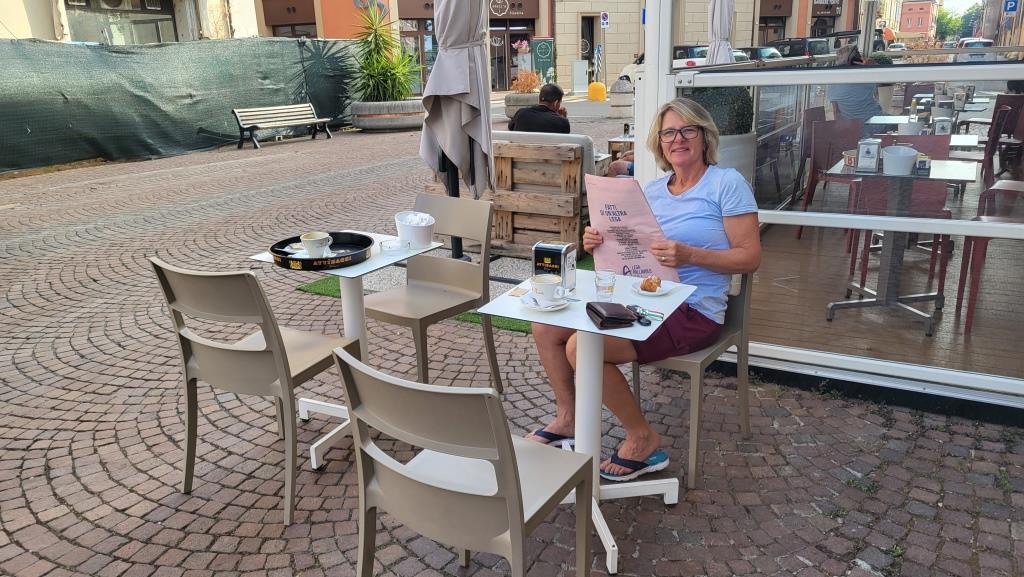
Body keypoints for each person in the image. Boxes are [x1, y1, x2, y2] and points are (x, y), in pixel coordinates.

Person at [527, 98, 762, 481]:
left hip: (694, 311)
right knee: (545, 328)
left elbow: (750, 258)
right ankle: (568, 419)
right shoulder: (651, 191)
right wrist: (597, 241)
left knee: (580, 347)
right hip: (641, 301)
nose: (678, 139)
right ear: (660, 143)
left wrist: (689, 255)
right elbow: (629, 250)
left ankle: (642, 437)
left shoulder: (726, 184)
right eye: (669, 133)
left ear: (704, 136)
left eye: (687, 130)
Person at [826, 45, 884, 136]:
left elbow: (836, 113)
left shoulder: (833, 81)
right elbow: (885, 80)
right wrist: (872, 64)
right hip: (875, 123)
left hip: (853, 129)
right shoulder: (866, 75)